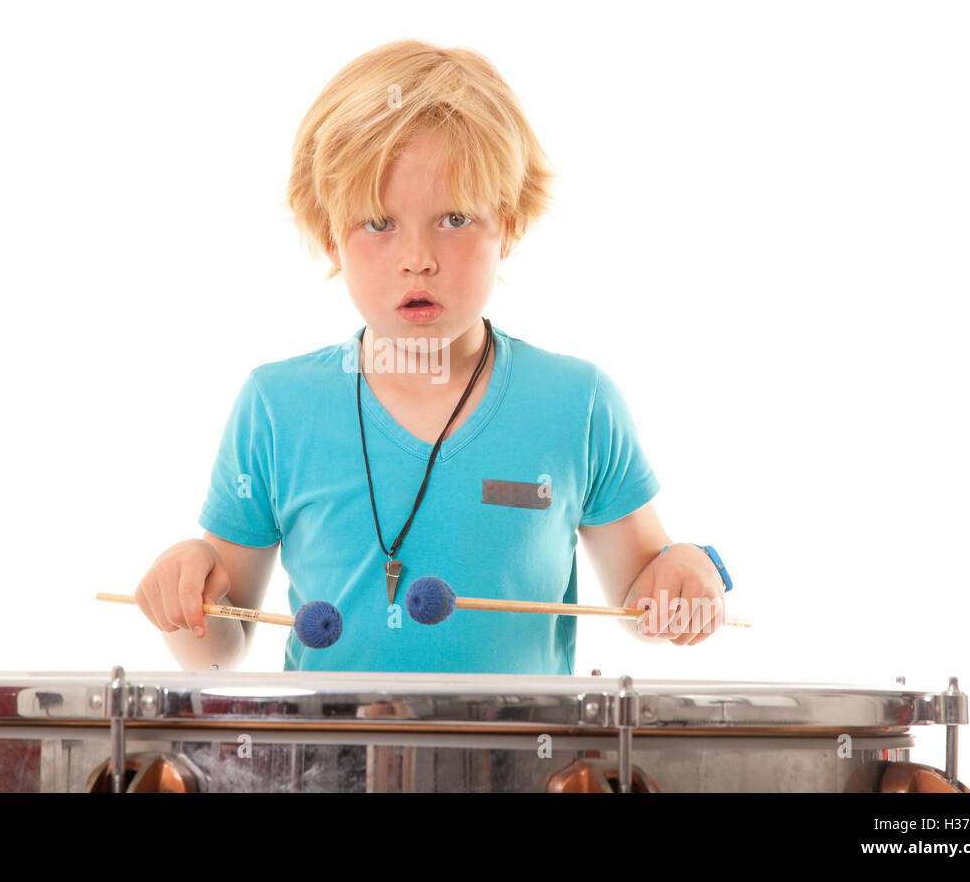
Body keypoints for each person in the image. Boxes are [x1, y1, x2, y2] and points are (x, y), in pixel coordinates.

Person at [134, 39, 730, 673]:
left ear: (510, 224)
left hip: (526, 766)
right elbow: (222, 651)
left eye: (453, 218)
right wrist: (186, 600)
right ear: (329, 238)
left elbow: (643, 589)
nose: (416, 257)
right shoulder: (275, 407)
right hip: (322, 770)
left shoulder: (577, 403)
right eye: (378, 223)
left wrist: (684, 575)